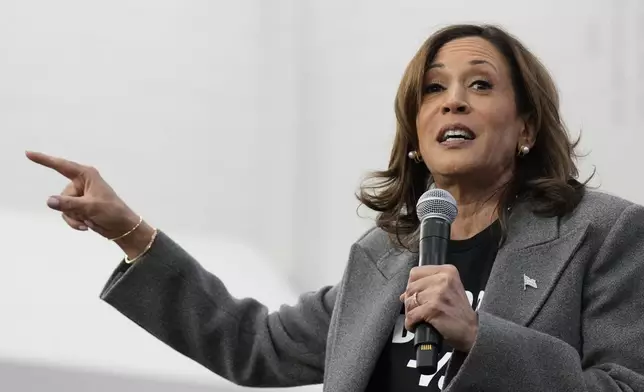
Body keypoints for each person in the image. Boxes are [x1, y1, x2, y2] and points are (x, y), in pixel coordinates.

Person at [26, 23, 644, 391]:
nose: (452, 102)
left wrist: (480, 336)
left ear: (527, 126)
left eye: (479, 84)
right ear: (414, 129)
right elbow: (254, 344)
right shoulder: (383, 258)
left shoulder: (602, 234)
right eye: (433, 90)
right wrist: (132, 234)